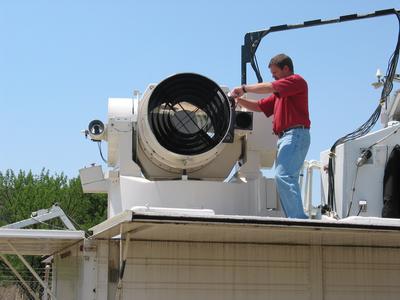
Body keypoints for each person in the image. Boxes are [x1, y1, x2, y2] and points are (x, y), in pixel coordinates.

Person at [230, 53, 310, 219]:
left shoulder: (296, 81)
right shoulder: (281, 94)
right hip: (288, 137)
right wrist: (238, 101)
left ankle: (298, 219)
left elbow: (269, 87)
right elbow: (260, 106)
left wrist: (243, 89)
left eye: (275, 73)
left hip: (294, 134)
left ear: (286, 69)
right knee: (287, 178)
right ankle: (296, 218)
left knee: (284, 176)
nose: (273, 76)